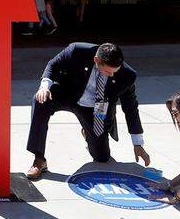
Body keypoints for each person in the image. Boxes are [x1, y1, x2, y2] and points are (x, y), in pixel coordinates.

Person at [26, 42, 149, 178]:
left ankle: (88, 132)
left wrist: (138, 143)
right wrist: (44, 87)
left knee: (102, 157)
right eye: (108, 71)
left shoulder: (127, 75)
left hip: (97, 109)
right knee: (40, 101)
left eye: (115, 71)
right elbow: (53, 65)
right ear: (97, 60)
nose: (112, 75)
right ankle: (39, 160)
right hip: (68, 94)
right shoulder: (77, 50)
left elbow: (131, 108)